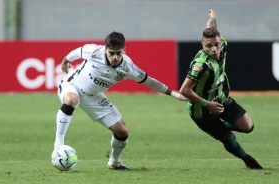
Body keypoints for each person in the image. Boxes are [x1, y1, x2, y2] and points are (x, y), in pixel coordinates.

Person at [53, 31, 187, 170]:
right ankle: (58, 146)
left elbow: (150, 82)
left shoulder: (128, 67)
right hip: (73, 85)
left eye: (119, 53)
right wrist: (65, 60)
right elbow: (78, 52)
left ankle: (114, 162)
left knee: (122, 131)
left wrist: (175, 95)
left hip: (94, 97)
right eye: (111, 53)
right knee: (71, 100)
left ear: (124, 50)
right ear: (105, 49)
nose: (115, 57)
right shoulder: (93, 51)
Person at [179, 9, 263, 169]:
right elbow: (184, 90)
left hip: (222, 100)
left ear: (221, 41)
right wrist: (207, 104)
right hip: (202, 110)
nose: (214, 49)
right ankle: (247, 160)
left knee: (248, 127)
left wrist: (213, 15)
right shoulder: (200, 65)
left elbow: (211, 25)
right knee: (227, 138)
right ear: (202, 45)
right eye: (208, 46)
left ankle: (221, 126)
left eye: (216, 44)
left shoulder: (221, 44)